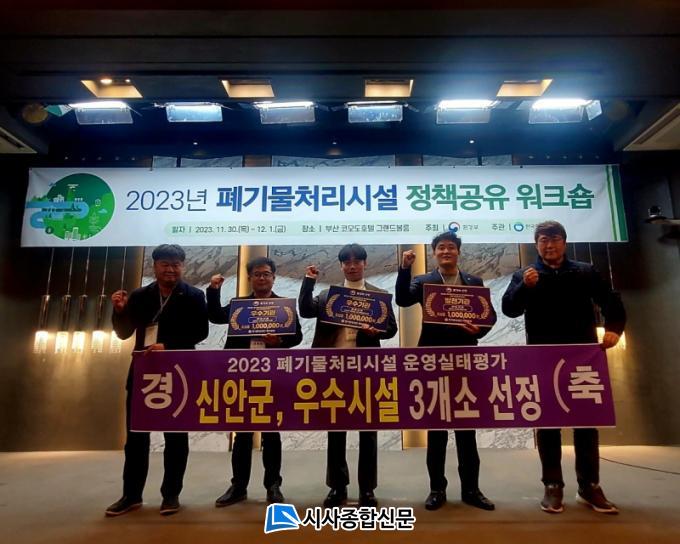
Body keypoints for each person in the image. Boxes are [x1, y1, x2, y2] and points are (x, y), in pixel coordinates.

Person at [502, 220, 625, 515]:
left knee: (586, 422)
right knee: (548, 423)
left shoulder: (584, 270)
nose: (549, 245)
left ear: (564, 242)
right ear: (536, 245)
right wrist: (525, 287)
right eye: (543, 240)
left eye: (555, 239)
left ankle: (589, 485)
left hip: (582, 356)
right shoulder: (525, 274)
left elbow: (610, 300)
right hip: (542, 357)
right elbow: (509, 309)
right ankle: (552, 484)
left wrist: (614, 328)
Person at [105, 244, 209, 517]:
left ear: (183, 266)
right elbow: (123, 333)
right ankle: (131, 495)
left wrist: (168, 345)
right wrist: (119, 311)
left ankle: (171, 494)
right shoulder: (140, 296)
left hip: (180, 374)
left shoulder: (194, 296)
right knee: (136, 437)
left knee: (176, 437)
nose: (171, 269)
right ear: (155, 266)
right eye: (165, 264)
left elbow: (200, 332)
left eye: (176, 264)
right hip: (144, 374)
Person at [395, 231, 496, 512]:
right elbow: (402, 299)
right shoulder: (423, 281)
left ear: (458, 252)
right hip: (433, 362)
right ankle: (437, 489)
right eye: (441, 248)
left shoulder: (474, 282)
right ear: (434, 253)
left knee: (467, 431)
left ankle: (472, 489)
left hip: (465, 361)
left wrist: (479, 330)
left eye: (451, 247)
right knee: (436, 431)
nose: (446, 251)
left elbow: (489, 316)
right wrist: (404, 269)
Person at [299, 243, 398, 508]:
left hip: (367, 369)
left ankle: (367, 489)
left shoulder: (378, 295)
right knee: (335, 429)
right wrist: (308, 281)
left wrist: (377, 332)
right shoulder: (328, 295)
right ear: (341, 266)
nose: (352, 266)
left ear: (365, 264)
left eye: (357, 261)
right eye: (347, 262)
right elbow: (306, 310)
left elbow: (391, 328)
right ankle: (337, 487)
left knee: (368, 431)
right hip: (334, 369)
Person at [207, 256, 302, 507]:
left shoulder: (284, 306)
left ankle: (273, 486)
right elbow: (215, 316)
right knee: (242, 434)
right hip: (242, 376)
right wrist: (213, 290)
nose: (262, 278)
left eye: (266, 274)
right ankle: (238, 486)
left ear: (273, 277)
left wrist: (279, 341)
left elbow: (297, 337)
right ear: (250, 278)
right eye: (257, 274)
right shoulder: (239, 305)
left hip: (273, 376)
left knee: (272, 434)